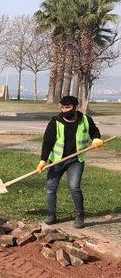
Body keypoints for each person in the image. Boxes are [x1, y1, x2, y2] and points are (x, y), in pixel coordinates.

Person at [37, 95, 103, 228]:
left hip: (76, 160)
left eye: (68, 107)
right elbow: (48, 142)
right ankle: (51, 215)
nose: (65, 110)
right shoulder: (55, 121)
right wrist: (43, 160)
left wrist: (96, 139)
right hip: (57, 161)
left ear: (75, 107)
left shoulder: (85, 119)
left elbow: (94, 131)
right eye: (62, 107)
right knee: (51, 188)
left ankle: (80, 216)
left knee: (74, 187)